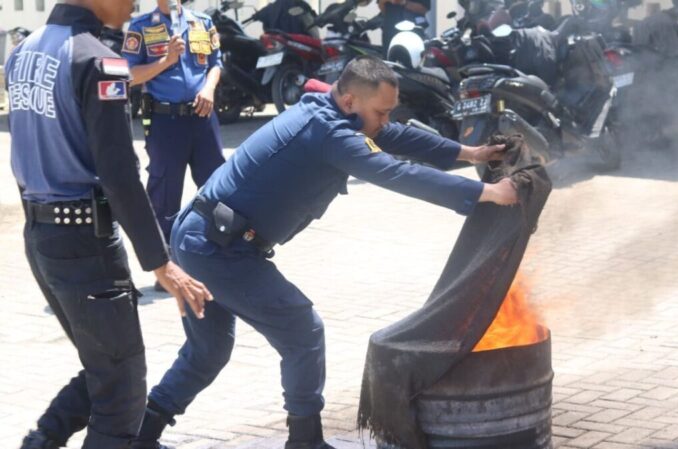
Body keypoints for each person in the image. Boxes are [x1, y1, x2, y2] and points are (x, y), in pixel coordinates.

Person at [131, 56, 518, 449]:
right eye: (380, 111)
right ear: (350, 100)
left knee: (207, 351)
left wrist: (471, 154)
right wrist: (487, 193)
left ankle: (139, 437)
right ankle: (305, 442)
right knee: (302, 330)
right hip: (218, 248)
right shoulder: (328, 131)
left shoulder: (331, 111)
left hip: (203, 236)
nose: (385, 119)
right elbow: (396, 172)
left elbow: (394, 136)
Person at [5, 1, 213, 448]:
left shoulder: (22, 53)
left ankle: (40, 441)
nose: (135, 2)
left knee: (106, 366)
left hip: (42, 236)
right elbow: (119, 171)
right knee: (121, 393)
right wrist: (160, 261)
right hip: (85, 244)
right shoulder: (100, 61)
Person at [122, 0, 226, 290]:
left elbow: (216, 63)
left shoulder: (202, 22)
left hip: (202, 116)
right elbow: (128, 75)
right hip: (165, 120)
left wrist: (208, 88)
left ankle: (219, 254)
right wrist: (166, 61)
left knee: (217, 187)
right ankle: (169, 267)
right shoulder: (142, 26)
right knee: (164, 192)